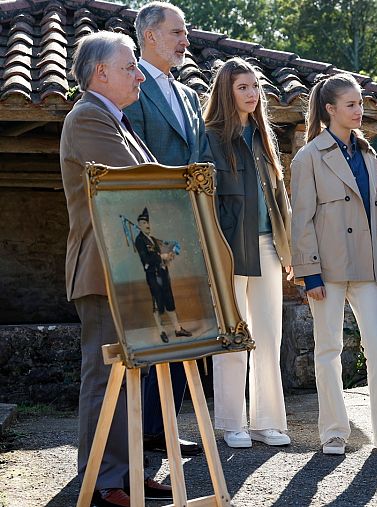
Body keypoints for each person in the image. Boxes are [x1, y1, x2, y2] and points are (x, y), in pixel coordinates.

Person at [60, 31, 172, 507]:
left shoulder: (116, 118)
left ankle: (126, 471)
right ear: (100, 72)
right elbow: (140, 183)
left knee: (135, 373)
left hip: (131, 267)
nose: (139, 75)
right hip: (104, 268)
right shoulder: (88, 116)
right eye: (130, 67)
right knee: (105, 377)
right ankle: (103, 481)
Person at [290, 73, 377, 457]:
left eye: (360, 103)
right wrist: (309, 273)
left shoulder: (370, 155)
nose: (359, 110)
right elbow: (301, 220)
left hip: (370, 269)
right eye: (352, 104)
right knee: (328, 350)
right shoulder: (309, 157)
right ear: (330, 109)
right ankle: (334, 432)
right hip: (328, 269)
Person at [124, 1, 213, 457]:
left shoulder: (188, 95)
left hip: (190, 232)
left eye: (185, 32)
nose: (185, 40)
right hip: (149, 238)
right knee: (154, 329)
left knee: (186, 331)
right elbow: (132, 164)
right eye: (176, 32)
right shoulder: (130, 87)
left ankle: (163, 428)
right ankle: (140, 434)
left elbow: (201, 160)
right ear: (150, 37)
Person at [205, 57, 292, 449]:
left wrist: (288, 249)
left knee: (269, 336)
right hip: (228, 249)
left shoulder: (262, 137)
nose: (252, 94)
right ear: (227, 91)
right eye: (243, 88)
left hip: (268, 248)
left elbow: (279, 198)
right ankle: (231, 422)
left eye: (255, 87)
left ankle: (267, 421)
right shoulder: (210, 137)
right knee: (232, 336)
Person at [133, 207, 191, 343]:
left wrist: (168, 257)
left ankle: (177, 329)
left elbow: (161, 254)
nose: (146, 225)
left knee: (169, 301)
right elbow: (146, 259)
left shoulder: (153, 239)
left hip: (163, 274)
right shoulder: (140, 240)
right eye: (143, 224)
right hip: (153, 276)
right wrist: (162, 257)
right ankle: (161, 331)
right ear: (139, 226)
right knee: (157, 303)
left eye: (147, 223)